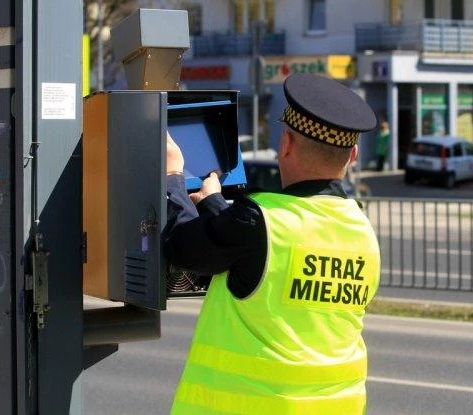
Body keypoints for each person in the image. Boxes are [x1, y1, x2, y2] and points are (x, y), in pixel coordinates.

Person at [163, 73, 381, 414]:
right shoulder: (361, 228)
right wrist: (213, 205)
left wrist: (172, 176)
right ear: (352, 155)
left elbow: (182, 245)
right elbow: (276, 245)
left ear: (286, 144)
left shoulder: (258, 221)